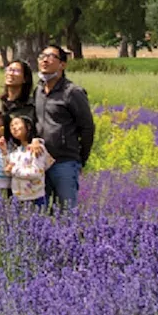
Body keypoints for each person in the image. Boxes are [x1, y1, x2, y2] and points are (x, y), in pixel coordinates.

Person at [34, 45, 95, 209]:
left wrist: (80, 159)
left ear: (62, 64)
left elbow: (87, 128)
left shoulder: (72, 92)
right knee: (39, 213)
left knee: (67, 212)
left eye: (51, 56)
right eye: (42, 56)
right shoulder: (38, 90)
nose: (45, 60)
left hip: (65, 163)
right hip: (39, 163)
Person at [0, 115, 53, 209]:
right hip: (18, 199)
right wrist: (4, 152)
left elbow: (36, 173)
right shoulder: (16, 152)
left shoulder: (37, 148)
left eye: (17, 124)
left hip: (35, 198)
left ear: (28, 126)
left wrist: (14, 170)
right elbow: (7, 171)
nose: (14, 128)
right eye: (11, 126)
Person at [0, 59, 36, 127]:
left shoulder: (30, 106)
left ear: (25, 79)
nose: (11, 73)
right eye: (9, 70)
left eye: (16, 71)